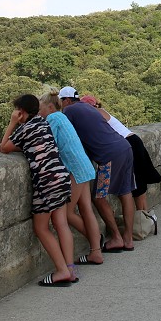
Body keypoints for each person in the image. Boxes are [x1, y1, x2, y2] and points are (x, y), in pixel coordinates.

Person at [0, 94, 77, 287]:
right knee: (61, 224)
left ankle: (61, 271)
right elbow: (35, 145)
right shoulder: (42, 123)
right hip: (61, 176)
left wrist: (13, 123)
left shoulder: (24, 128)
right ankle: (70, 269)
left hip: (46, 183)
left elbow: (5, 148)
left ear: (21, 111)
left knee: (41, 228)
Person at [57, 86, 137, 253]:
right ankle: (128, 239)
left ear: (66, 101)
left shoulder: (69, 111)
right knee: (125, 192)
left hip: (109, 155)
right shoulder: (88, 107)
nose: (61, 106)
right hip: (124, 147)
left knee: (99, 197)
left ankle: (116, 238)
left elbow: (62, 135)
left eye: (61, 102)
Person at [39, 90, 105, 266]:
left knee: (67, 213)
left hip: (75, 169)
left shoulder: (53, 119)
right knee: (86, 209)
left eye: (41, 108)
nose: (39, 112)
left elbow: (46, 143)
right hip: (84, 166)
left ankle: (97, 242)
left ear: (50, 107)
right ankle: (96, 251)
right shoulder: (62, 117)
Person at [82, 94, 161, 212]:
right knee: (139, 182)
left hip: (128, 143)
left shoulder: (98, 112)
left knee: (137, 183)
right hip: (132, 141)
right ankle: (146, 216)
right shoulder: (101, 111)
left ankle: (142, 218)